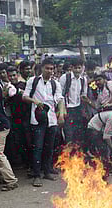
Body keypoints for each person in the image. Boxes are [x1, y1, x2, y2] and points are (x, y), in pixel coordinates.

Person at [23, 58, 65, 187]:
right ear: (42, 68)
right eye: (47, 68)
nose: (50, 71)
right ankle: (36, 175)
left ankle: (47, 171)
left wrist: (61, 114)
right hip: (37, 119)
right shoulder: (33, 81)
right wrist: (35, 102)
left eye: (52, 69)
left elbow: (60, 99)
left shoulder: (55, 84)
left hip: (52, 119)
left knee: (49, 147)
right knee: (38, 147)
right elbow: (24, 97)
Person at [60, 58, 88, 148]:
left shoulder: (83, 79)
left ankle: (77, 153)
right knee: (68, 132)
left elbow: (84, 94)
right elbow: (60, 95)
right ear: (72, 68)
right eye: (76, 68)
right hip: (67, 108)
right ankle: (68, 152)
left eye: (79, 68)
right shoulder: (65, 78)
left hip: (78, 108)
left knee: (78, 133)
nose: (77, 70)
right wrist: (62, 109)